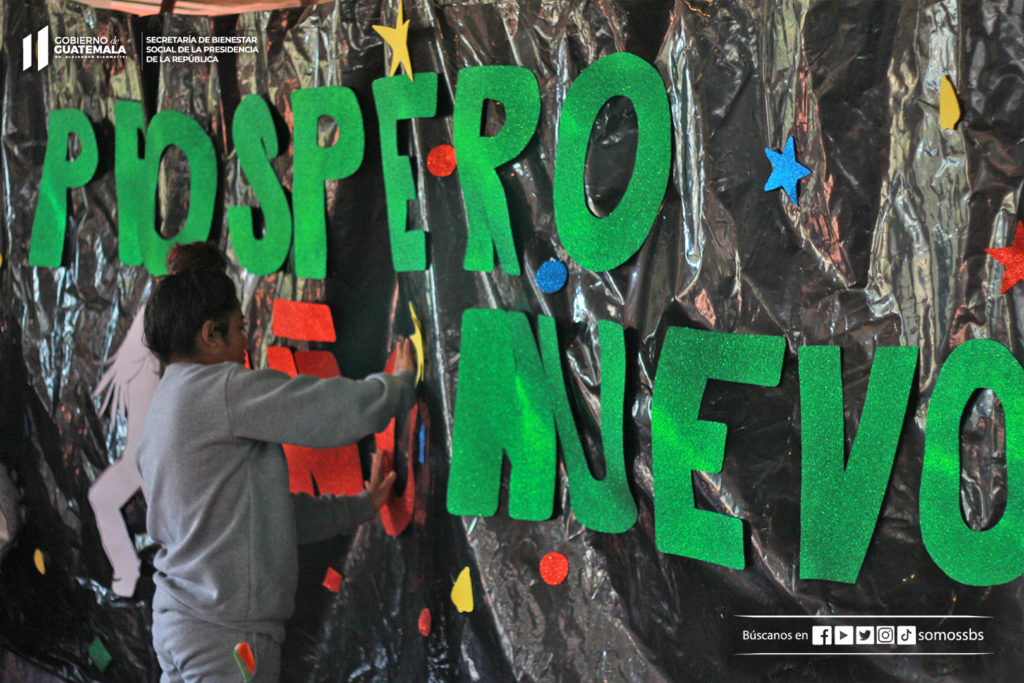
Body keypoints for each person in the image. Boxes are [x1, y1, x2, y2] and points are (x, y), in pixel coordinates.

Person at [135, 242, 416, 682]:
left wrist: (359, 505)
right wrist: (399, 385)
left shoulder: (164, 407)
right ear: (211, 335)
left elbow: (266, 519)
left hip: (183, 624)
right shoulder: (220, 390)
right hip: (224, 636)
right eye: (239, 328)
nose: (247, 342)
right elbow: (326, 410)